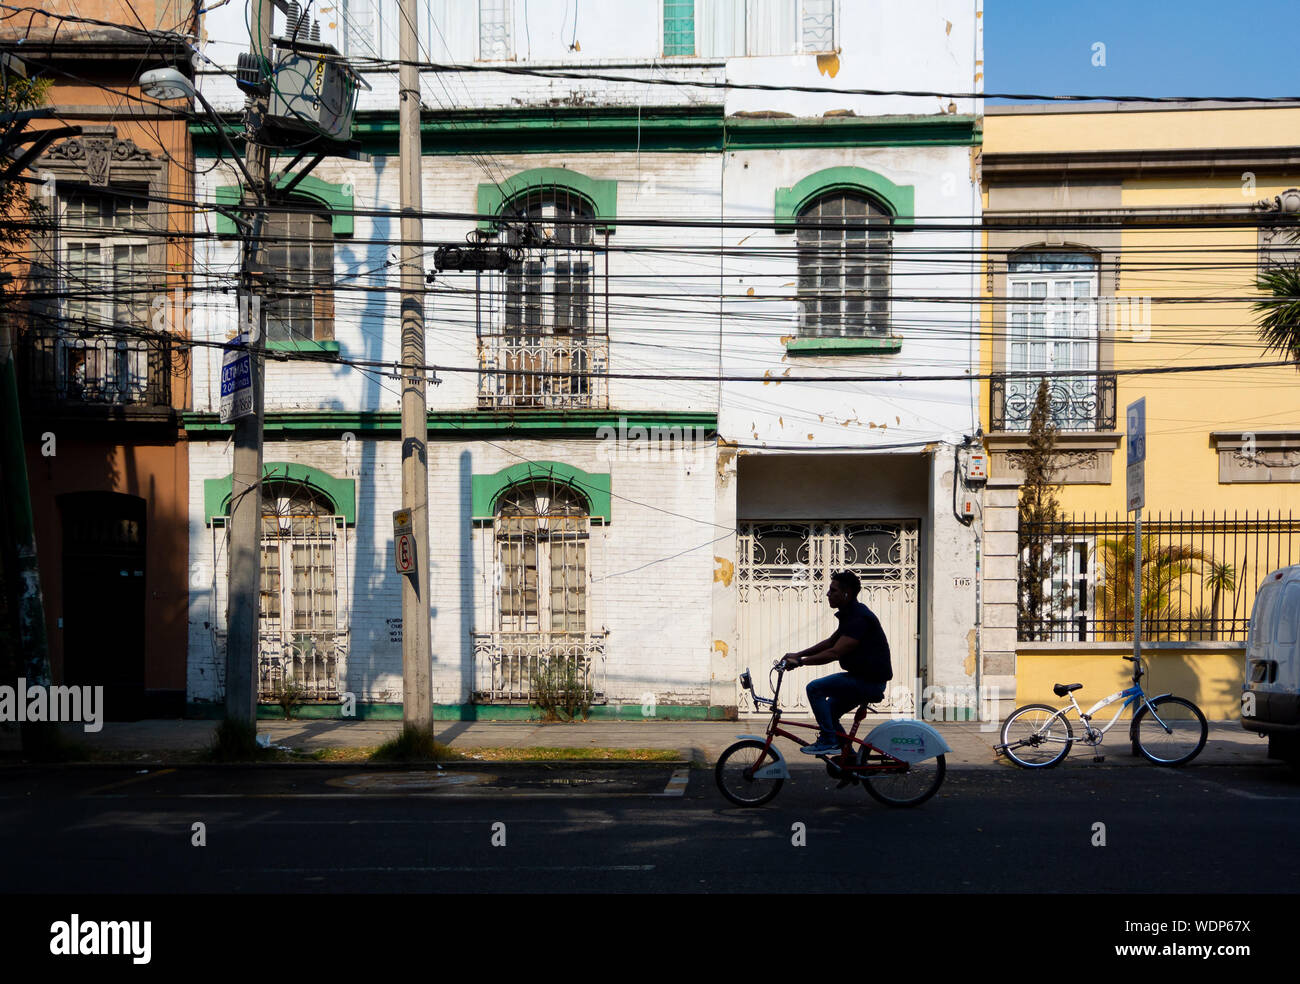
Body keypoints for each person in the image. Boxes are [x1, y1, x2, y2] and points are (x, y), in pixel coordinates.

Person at [782, 570, 893, 756]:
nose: (828, 594)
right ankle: (849, 759)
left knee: (814, 688)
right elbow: (830, 642)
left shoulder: (859, 618)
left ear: (847, 593)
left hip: (869, 682)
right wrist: (798, 654)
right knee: (830, 711)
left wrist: (800, 662)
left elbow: (835, 652)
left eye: (833, 590)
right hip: (860, 678)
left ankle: (828, 740)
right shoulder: (850, 614)